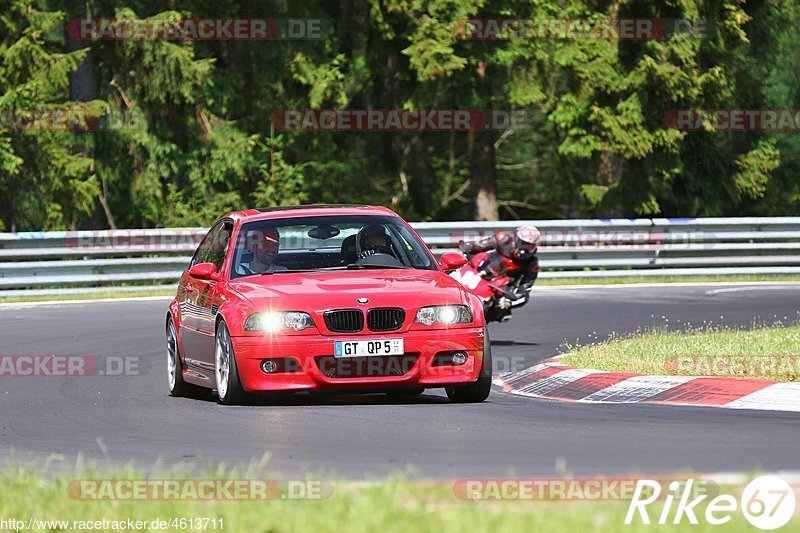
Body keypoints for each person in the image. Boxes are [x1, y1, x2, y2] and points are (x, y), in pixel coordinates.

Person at [458, 225, 541, 305]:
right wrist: (465, 249)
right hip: (483, 269)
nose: (525, 248)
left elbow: (524, 290)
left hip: (502, 287)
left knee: (500, 306)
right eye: (523, 244)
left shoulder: (532, 263)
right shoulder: (503, 240)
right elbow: (478, 246)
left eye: (529, 246)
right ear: (516, 239)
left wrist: (509, 301)